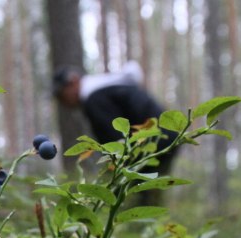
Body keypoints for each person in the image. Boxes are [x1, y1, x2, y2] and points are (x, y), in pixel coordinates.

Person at [53, 62, 178, 204]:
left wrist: (114, 167)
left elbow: (114, 138)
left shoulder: (94, 98)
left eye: (61, 95)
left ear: (73, 82)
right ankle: (151, 217)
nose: (63, 102)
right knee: (148, 190)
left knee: (137, 192)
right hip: (166, 135)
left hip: (155, 141)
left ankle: (142, 220)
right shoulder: (102, 88)